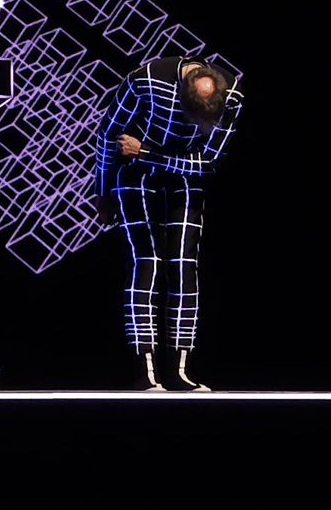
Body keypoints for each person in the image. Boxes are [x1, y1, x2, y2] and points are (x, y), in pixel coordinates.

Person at [95, 56, 243, 391]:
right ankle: (145, 371)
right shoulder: (145, 80)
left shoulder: (232, 95)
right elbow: (108, 134)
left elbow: (209, 162)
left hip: (180, 172)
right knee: (145, 263)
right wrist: (102, 192)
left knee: (183, 266)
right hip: (135, 174)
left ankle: (179, 370)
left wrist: (147, 152)